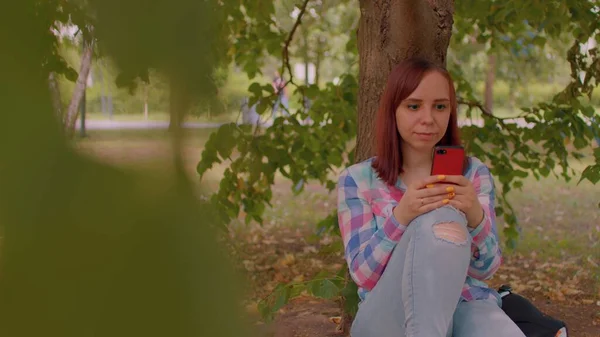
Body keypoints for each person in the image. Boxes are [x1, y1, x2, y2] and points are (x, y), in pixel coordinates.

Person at [336, 58, 526, 337]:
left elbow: (486, 269)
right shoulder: (358, 180)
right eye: (413, 106)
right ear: (393, 111)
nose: (428, 118)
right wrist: (402, 216)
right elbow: (364, 275)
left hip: (465, 305)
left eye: (440, 106)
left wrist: (474, 214)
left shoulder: (473, 175)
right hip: (388, 315)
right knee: (441, 216)